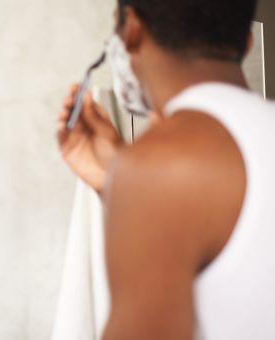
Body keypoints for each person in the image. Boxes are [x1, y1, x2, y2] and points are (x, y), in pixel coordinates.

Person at [57, 0, 275, 339]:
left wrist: (136, 178)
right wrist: (115, 184)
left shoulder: (158, 167)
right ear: (245, 43)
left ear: (132, 29)